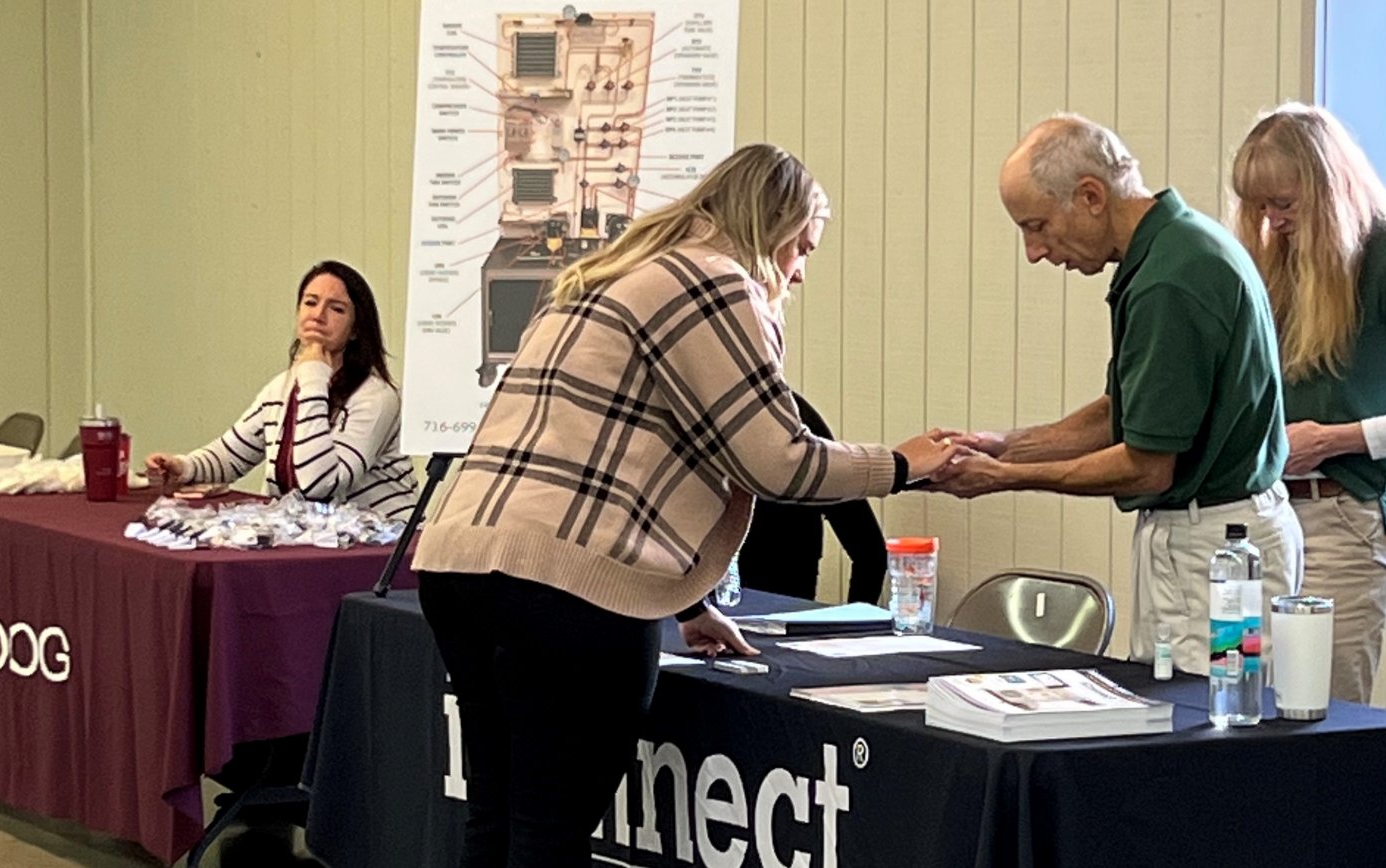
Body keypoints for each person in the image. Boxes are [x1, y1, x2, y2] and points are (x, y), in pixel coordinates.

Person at [411, 143, 955, 867]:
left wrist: (687, 605)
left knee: (496, 821)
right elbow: (778, 461)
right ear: (774, 227)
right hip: (566, 594)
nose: (799, 272)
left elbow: (602, 451)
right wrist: (905, 465)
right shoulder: (718, 282)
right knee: (550, 834)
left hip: (461, 567)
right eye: (803, 248)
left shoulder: (604, 276)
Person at [931, 114, 1304, 677]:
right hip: (1201, 543)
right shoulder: (1170, 251)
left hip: (1221, 558)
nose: (1034, 251)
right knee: (1179, 708)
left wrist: (1003, 478)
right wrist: (1004, 446)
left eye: (1037, 226)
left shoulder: (1171, 278)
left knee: (1217, 716)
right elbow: (1121, 414)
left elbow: (1146, 466)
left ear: (1090, 196)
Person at [1230, 103, 1386, 704]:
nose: (1271, 220)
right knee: (1240, 698)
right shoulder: (1282, 267)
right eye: (1258, 206)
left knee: (1322, 712)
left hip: (1343, 521)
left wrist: (1337, 439)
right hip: (1267, 517)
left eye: (1284, 204)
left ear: (1328, 188)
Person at [144, 260, 418, 519]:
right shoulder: (281, 387)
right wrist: (183, 467)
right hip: (310, 539)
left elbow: (319, 485)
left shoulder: (378, 397)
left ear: (356, 329)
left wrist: (313, 375)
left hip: (381, 547)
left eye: (336, 309)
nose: (318, 315)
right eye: (310, 302)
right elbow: (231, 456)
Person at [739, 390, 889, 603]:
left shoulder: (795, 419)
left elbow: (870, 552)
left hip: (781, 605)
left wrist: (853, 629)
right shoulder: (692, 417)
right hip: (704, 607)